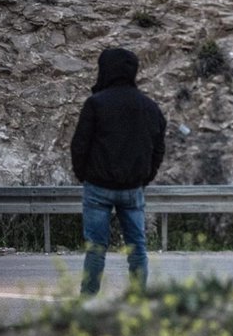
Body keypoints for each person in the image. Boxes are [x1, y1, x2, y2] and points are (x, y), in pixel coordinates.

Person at [71, 47, 166, 296]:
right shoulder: (149, 107)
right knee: (137, 250)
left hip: (98, 188)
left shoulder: (95, 104)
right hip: (132, 190)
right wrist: (144, 178)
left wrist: (84, 175)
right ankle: (137, 302)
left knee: (96, 249)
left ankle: (88, 302)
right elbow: (158, 149)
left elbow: (80, 145)